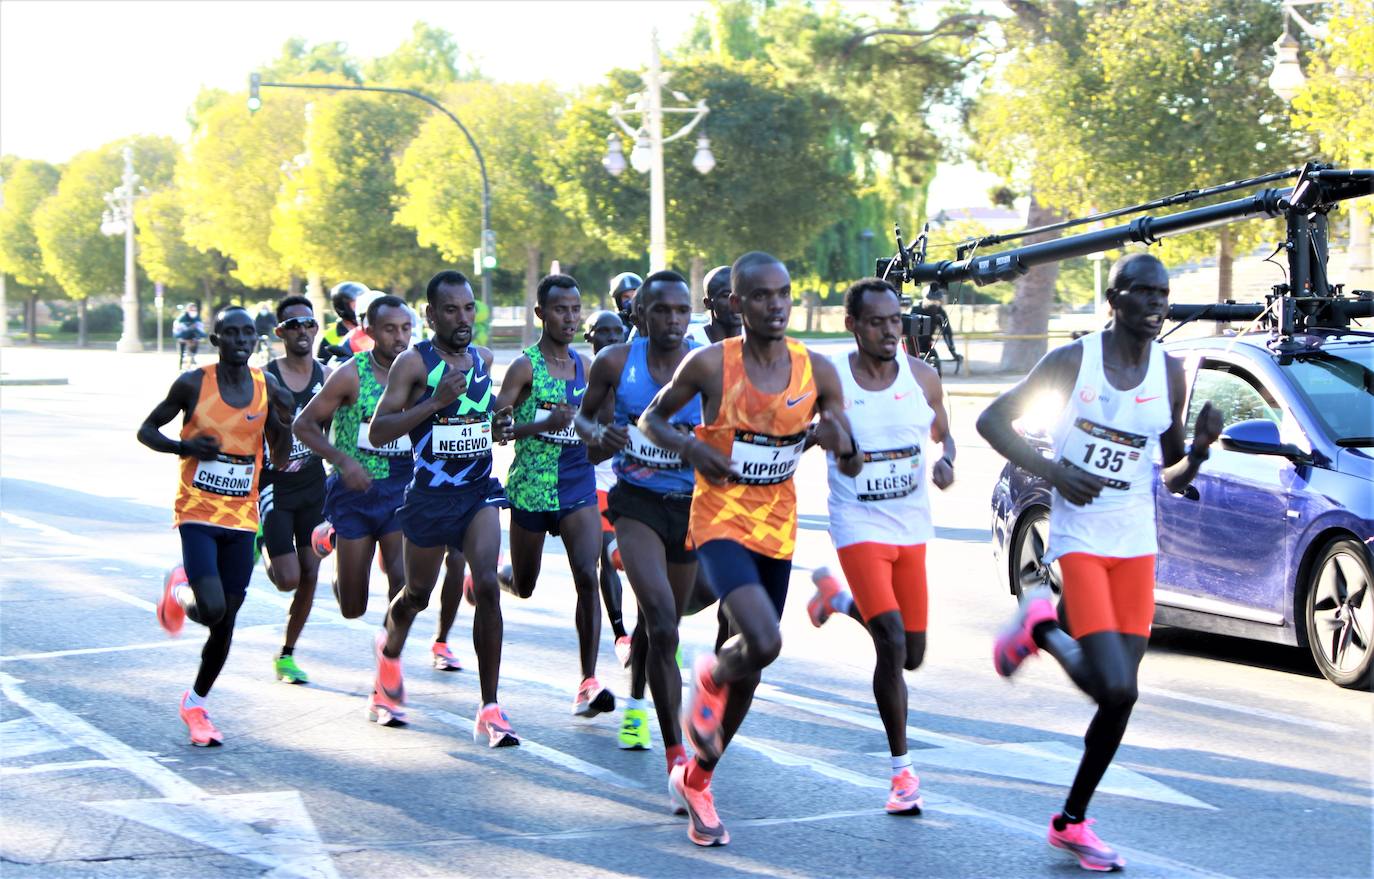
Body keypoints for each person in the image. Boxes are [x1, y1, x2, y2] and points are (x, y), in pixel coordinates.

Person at [975, 252, 1222, 872]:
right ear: (1115, 300)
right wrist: (1057, 472)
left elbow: (1167, 472)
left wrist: (1198, 452)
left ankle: (1071, 822)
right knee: (1114, 683)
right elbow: (992, 419)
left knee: (1120, 701)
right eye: (1145, 294)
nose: (1158, 304)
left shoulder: (1169, 373)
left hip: (1135, 543)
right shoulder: (1073, 361)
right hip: (1080, 539)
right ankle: (1042, 626)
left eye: (1165, 294)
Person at [640, 252, 861, 846]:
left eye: (784, 294)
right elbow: (650, 422)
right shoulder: (710, 364)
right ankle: (709, 671)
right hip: (718, 520)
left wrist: (840, 440)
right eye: (761, 296)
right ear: (737, 304)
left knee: (755, 666)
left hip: (777, 525)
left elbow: (847, 446)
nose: (776, 305)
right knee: (764, 641)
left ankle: (698, 779)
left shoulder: (816, 369)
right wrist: (690, 450)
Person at [805, 277, 956, 814]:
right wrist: (825, 439)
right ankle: (902, 773)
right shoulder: (832, 379)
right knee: (890, 643)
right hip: (858, 524)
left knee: (912, 656)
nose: (889, 330)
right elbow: (801, 435)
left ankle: (835, 600)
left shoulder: (922, 376)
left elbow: (943, 430)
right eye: (876, 322)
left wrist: (948, 461)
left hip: (910, 527)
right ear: (853, 326)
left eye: (895, 320)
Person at [367, 271, 516, 745]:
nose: (462, 318)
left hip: (477, 491)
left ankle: (490, 707)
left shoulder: (483, 358)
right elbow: (379, 432)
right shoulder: (413, 363)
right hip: (429, 497)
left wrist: (501, 420)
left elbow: (479, 415)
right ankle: (389, 653)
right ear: (430, 315)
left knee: (488, 584)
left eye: (469, 308)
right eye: (451, 310)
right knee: (416, 595)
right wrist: (434, 401)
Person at [138, 306, 294, 746]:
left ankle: (196, 703)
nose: (242, 339)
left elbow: (280, 455)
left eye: (248, 332)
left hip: (243, 516)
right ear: (216, 339)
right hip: (197, 510)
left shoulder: (268, 386)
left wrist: (283, 418)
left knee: (225, 620)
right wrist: (183, 445)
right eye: (232, 333)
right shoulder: (193, 383)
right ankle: (180, 589)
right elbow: (146, 430)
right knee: (211, 607)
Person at [576, 271, 702, 794]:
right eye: (662, 311)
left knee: (661, 626)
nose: (673, 320)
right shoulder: (615, 363)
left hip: (691, 507)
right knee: (664, 623)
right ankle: (678, 759)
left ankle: (634, 698)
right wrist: (602, 434)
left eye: (681, 310)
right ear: (641, 315)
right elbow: (584, 426)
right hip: (637, 506)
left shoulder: (707, 363)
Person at [493, 273, 616, 720]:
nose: (569, 316)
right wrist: (539, 426)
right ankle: (491, 577)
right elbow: (498, 428)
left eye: (575, 308)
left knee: (588, 572)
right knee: (524, 586)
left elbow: (597, 425)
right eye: (560, 309)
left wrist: (607, 435)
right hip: (530, 486)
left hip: (577, 484)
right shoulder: (524, 367)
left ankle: (588, 682)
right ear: (541, 313)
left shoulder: (586, 366)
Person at [293, 295, 413, 632]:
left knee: (403, 581)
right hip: (353, 493)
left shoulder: (418, 373)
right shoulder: (351, 375)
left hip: (399, 491)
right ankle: (332, 537)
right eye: (390, 329)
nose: (399, 337)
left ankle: (389, 659)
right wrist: (344, 461)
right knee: (352, 607)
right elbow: (303, 425)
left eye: (405, 328)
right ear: (369, 330)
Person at [258, 296, 331, 684]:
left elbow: (343, 430)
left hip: (314, 487)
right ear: (280, 333)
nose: (302, 331)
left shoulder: (328, 376)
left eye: (308, 324)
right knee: (286, 578)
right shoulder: (265, 377)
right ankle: (262, 539)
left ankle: (286, 654)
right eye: (293, 325)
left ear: (315, 329)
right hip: (275, 488)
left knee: (310, 574)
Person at [583, 310, 635, 667]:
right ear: (590, 337)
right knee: (610, 557)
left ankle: (656, 626)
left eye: (618, 332)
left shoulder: (636, 375)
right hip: (596, 476)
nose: (612, 338)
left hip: (633, 477)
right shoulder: (585, 375)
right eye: (603, 332)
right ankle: (621, 633)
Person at [685, 265, 742, 346]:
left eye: (741, 294)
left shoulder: (758, 341)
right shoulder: (692, 343)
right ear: (707, 303)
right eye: (726, 296)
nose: (737, 301)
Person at [911, 286, 962, 373]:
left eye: (936, 301)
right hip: (912, 345)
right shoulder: (915, 309)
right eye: (931, 300)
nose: (934, 304)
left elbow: (946, 332)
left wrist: (952, 351)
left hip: (927, 345)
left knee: (936, 366)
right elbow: (907, 332)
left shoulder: (939, 312)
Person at [318, 281, 366, 363]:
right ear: (342, 307)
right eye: (356, 305)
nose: (361, 309)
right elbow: (325, 369)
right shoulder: (329, 337)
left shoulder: (371, 330)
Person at [174, 303, 206, 368]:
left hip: (193, 337)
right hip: (183, 337)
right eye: (191, 310)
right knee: (182, 352)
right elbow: (177, 328)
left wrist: (198, 337)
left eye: (194, 310)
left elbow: (200, 329)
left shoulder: (197, 318)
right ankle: (181, 365)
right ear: (188, 310)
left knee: (193, 349)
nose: (193, 311)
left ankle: (192, 359)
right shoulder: (182, 318)